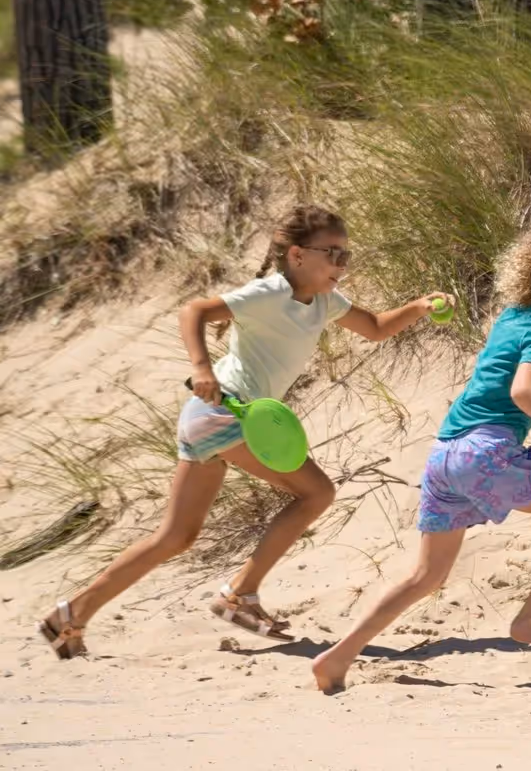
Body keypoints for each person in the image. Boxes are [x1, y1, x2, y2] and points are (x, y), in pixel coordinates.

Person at [37, 206, 443, 656]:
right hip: (225, 411)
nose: (341, 265)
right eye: (333, 254)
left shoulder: (326, 301)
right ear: (297, 255)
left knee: (175, 537)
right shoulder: (269, 292)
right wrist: (201, 367)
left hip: (209, 420)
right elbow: (194, 310)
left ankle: (71, 615)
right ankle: (240, 595)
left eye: (346, 255)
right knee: (316, 493)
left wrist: (421, 306)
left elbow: (376, 328)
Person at [311, 219, 531, 693]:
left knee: (425, 576)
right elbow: (527, 393)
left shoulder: (514, 318)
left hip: (446, 456)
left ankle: (337, 657)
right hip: (485, 454)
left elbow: (524, 382)